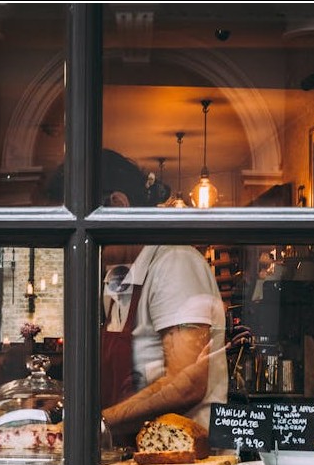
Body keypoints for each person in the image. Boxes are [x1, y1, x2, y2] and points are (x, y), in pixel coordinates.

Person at [54, 150, 229, 447]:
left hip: (181, 460)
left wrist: (95, 424)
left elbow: (186, 384)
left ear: (118, 205)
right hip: (132, 453)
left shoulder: (174, 264)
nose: (78, 246)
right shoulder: (117, 275)